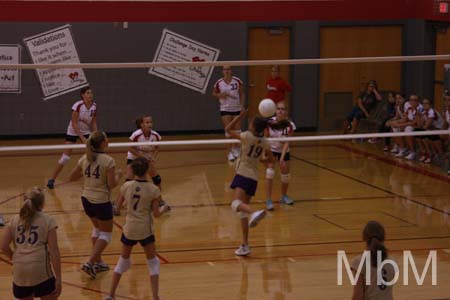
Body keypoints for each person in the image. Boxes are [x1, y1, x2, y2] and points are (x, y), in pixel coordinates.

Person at [226, 109, 290, 256]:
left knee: (235, 204)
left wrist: (240, 116)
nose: (248, 124)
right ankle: (245, 245)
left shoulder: (247, 136)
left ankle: (254, 212)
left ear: (254, 127)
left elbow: (227, 130)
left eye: (250, 122)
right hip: (254, 177)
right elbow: (271, 160)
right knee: (241, 213)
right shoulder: (265, 142)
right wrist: (261, 160)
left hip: (243, 173)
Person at [105, 158, 169, 300]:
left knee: (122, 262)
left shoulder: (126, 186)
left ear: (133, 170)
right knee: (153, 263)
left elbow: (117, 208)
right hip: (145, 230)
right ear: (147, 171)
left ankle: (110, 295)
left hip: (129, 229)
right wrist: (164, 208)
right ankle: (155, 297)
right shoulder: (154, 190)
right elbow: (157, 214)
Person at [69, 131, 122, 279]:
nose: (108, 140)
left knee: (97, 229)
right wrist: (118, 175)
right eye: (106, 138)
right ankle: (90, 262)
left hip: (86, 199)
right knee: (106, 235)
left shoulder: (85, 158)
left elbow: (72, 177)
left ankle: (98, 262)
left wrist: (87, 172)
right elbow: (111, 185)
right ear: (103, 143)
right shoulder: (108, 161)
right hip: (101, 201)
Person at [0, 188, 62, 300]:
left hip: (20, 271)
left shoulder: (13, 220)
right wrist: (58, 278)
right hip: (40, 270)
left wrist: (14, 257)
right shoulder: (48, 220)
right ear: (42, 204)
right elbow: (54, 251)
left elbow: (3, 247)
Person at [114, 115, 168, 215]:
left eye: (151, 122)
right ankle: (117, 206)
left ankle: (160, 201)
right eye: (147, 122)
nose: (150, 124)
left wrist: (153, 157)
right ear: (142, 125)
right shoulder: (136, 135)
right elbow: (130, 148)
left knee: (157, 179)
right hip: (134, 158)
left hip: (146, 159)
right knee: (128, 181)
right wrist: (142, 156)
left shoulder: (155, 135)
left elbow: (157, 148)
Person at [47, 86, 98, 189]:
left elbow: (94, 121)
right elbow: (74, 124)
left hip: (85, 131)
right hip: (72, 131)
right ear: (83, 95)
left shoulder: (94, 106)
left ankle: (86, 174)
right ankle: (52, 179)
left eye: (91, 93)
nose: (90, 95)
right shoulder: (78, 105)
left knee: (93, 153)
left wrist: (96, 134)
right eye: (87, 93)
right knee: (65, 157)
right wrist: (82, 138)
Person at [350, 221, 395, 300]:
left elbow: (358, 296)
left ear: (364, 237)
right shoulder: (392, 262)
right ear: (383, 237)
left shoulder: (359, 261)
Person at [265, 101, 296, 210]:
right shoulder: (269, 122)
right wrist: (268, 154)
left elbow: (287, 142)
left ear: (286, 112)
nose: (280, 111)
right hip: (272, 150)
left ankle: (283, 196)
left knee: (286, 175)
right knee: (270, 173)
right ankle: (268, 200)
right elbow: (266, 139)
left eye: (282, 109)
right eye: (278, 109)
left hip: (284, 151)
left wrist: (282, 158)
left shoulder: (290, 125)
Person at [212, 66, 244, 161]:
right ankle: (229, 152)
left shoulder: (237, 81)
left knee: (237, 131)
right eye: (225, 69)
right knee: (228, 131)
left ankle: (236, 148)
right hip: (225, 108)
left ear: (231, 70)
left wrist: (242, 106)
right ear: (222, 71)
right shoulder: (219, 82)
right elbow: (213, 93)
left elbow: (242, 94)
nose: (227, 71)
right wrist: (220, 95)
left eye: (228, 69)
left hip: (236, 108)